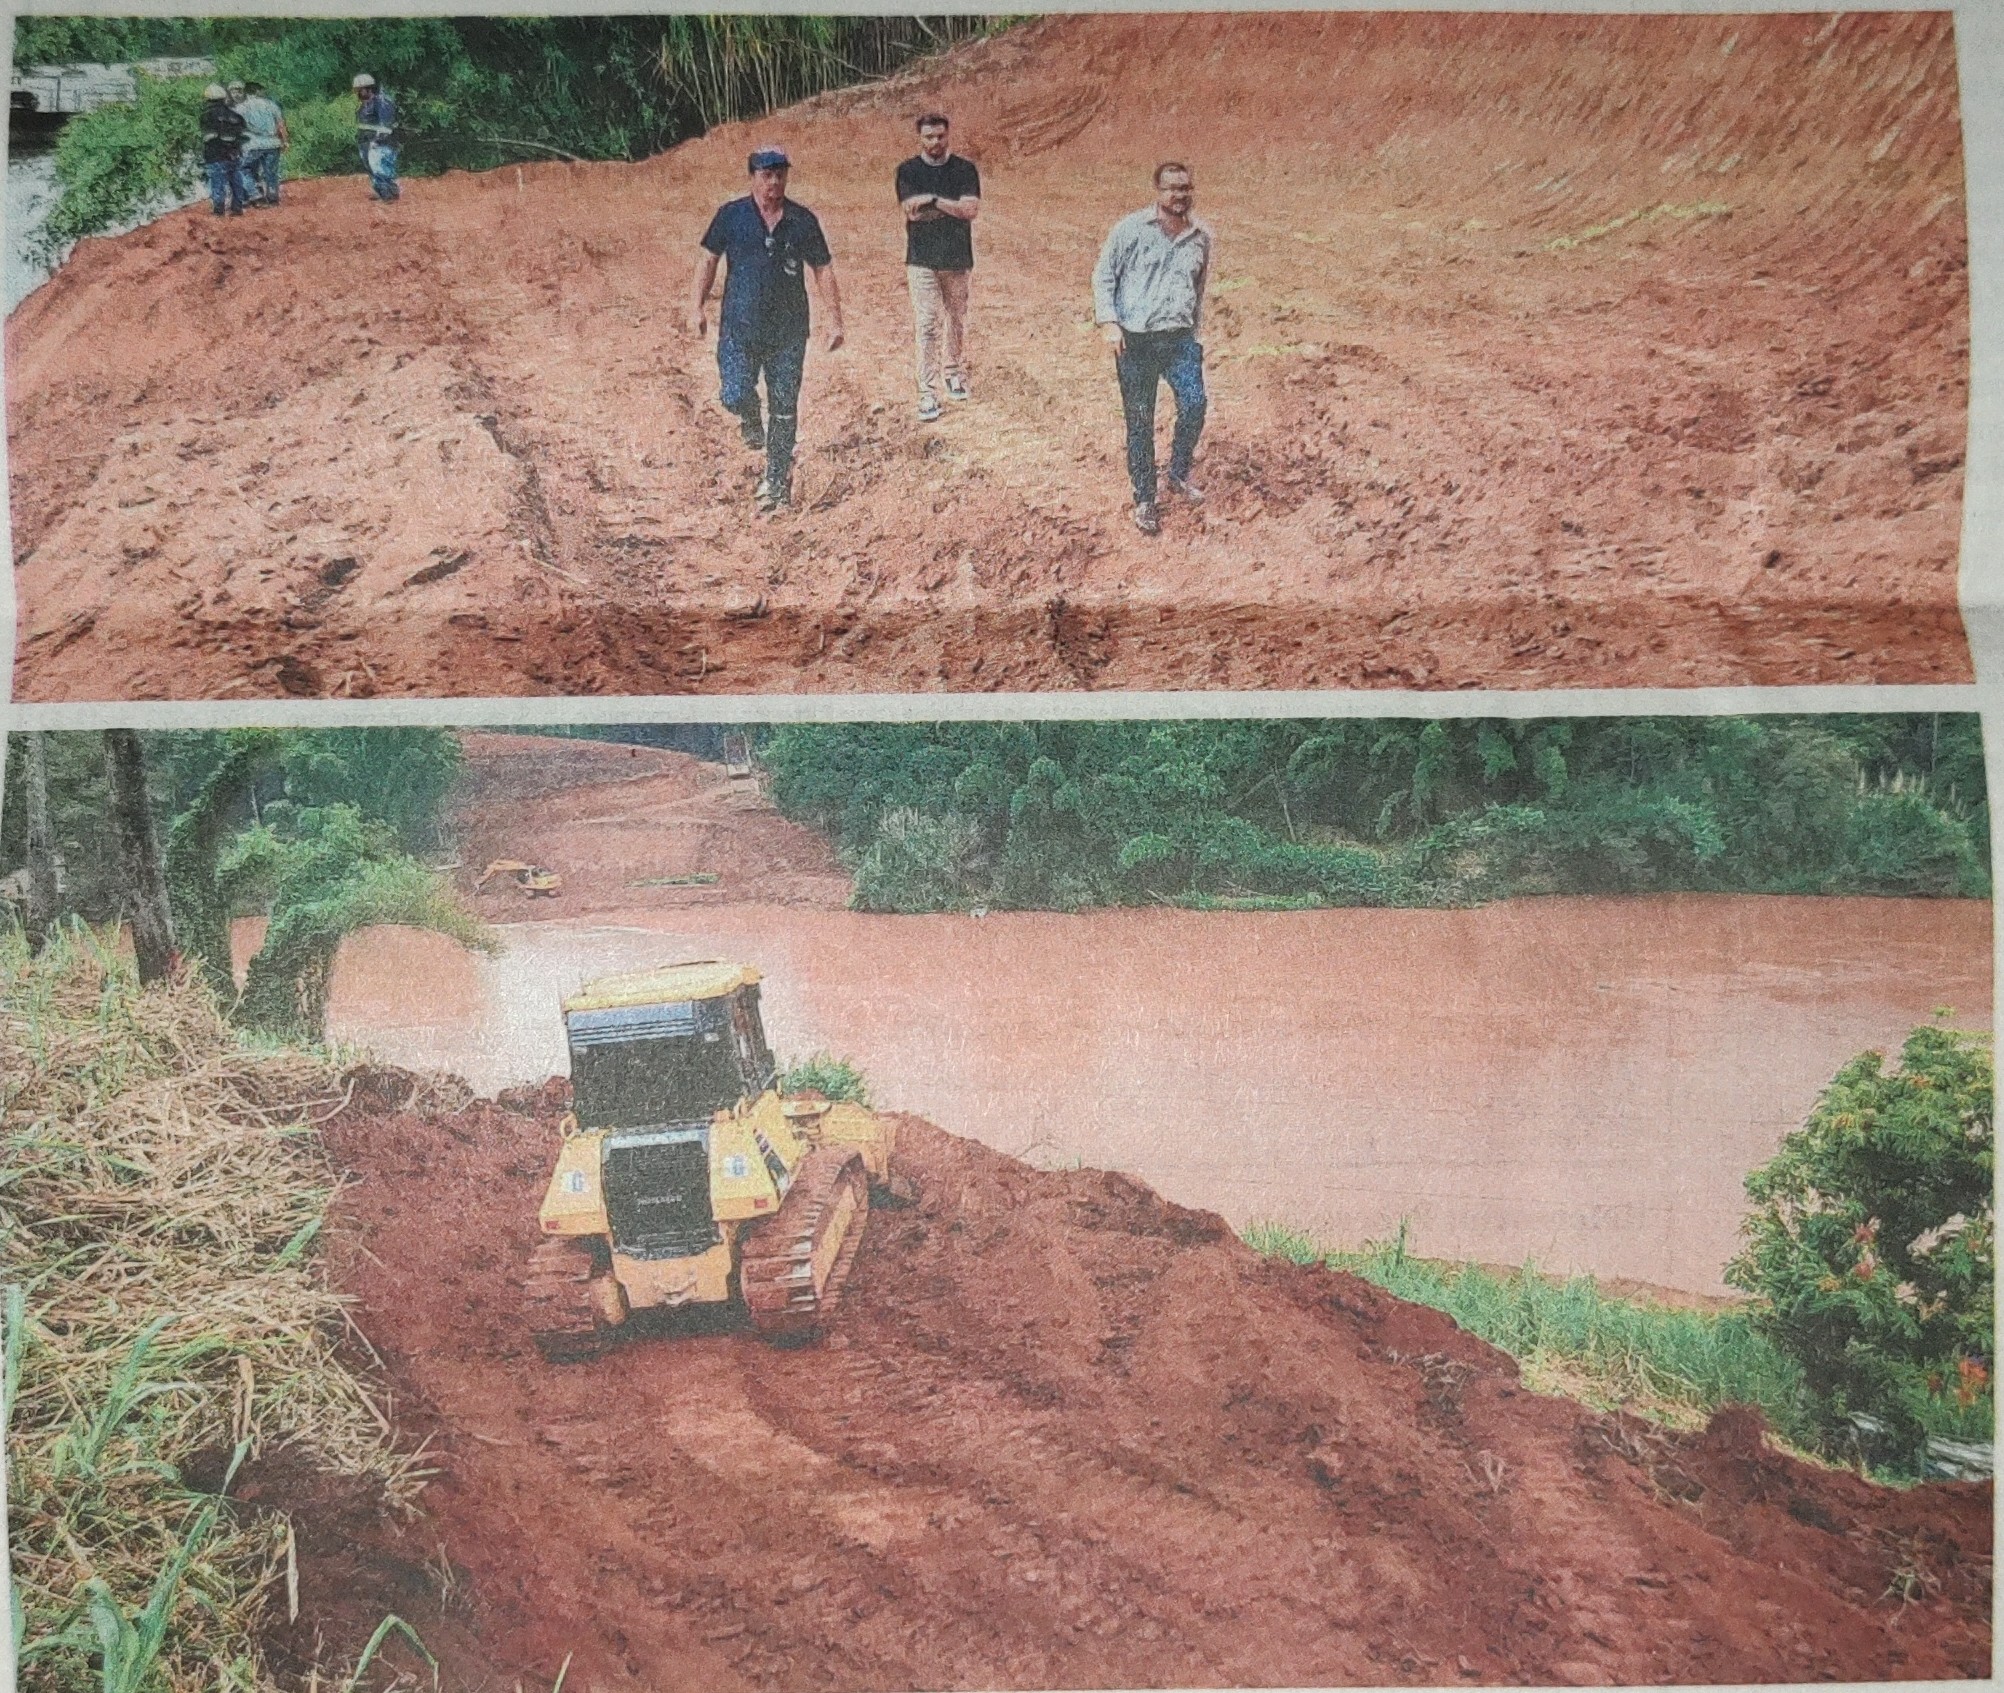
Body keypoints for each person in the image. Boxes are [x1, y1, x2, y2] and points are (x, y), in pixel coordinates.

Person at [689, 146, 846, 513]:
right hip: (739, 329)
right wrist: (695, 306)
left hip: (788, 332)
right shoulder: (731, 216)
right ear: (753, 177)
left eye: (780, 175)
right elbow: (708, 259)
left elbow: (822, 268)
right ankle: (748, 414)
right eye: (766, 175)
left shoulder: (802, 220)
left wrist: (835, 318)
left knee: (785, 409)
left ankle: (775, 481)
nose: (774, 182)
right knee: (733, 393)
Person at [1091, 162, 1213, 536]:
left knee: (1195, 404)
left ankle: (1177, 473)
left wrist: (1194, 331)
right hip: (1136, 340)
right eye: (1171, 189)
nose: (1179, 196)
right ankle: (1145, 497)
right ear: (1157, 191)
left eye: (1185, 188)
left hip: (1179, 339)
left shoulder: (1200, 237)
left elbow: (1199, 288)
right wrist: (1109, 322)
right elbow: (1104, 274)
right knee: (1140, 420)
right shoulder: (1130, 230)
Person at [894, 113, 980, 423]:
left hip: (956, 258)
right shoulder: (907, 171)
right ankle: (927, 392)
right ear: (920, 138)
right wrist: (951, 207)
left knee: (956, 317)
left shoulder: (964, 169)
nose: (935, 142)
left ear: (948, 135)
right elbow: (912, 213)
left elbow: (970, 210)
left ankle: (953, 371)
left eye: (940, 136)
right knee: (928, 323)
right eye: (929, 137)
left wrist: (932, 200)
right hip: (921, 259)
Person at [236, 80, 289, 208]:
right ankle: (273, 198)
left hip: (253, 144)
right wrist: (285, 141)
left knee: (243, 169)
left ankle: (255, 194)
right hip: (272, 143)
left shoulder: (241, 107)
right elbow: (281, 125)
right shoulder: (271, 105)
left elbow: (237, 127)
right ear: (257, 91)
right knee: (271, 172)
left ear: (246, 92)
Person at [199, 83, 247, 218]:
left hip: (215, 154)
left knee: (217, 181)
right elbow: (242, 132)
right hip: (233, 153)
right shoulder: (235, 116)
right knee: (235, 179)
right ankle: (237, 207)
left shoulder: (206, 116)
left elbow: (206, 135)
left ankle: (219, 210)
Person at [353, 73, 400, 202]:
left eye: (360, 89)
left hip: (380, 142)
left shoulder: (381, 103)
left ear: (369, 88)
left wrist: (377, 140)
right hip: (366, 141)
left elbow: (385, 125)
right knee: (370, 166)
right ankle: (382, 191)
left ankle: (388, 193)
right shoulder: (364, 105)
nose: (358, 93)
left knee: (379, 166)